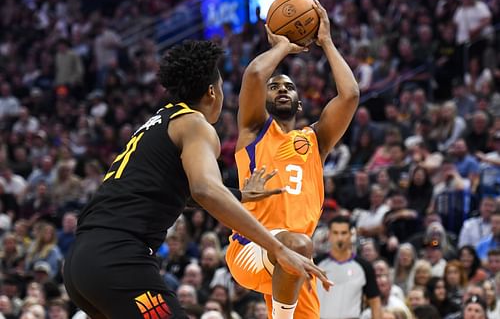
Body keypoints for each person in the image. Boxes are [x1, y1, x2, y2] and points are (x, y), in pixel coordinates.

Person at [63, 40, 332, 319]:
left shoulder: (159, 122)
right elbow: (205, 190)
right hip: (118, 260)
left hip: (81, 264)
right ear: (213, 92)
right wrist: (277, 247)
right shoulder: (195, 124)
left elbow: (182, 192)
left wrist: (240, 194)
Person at [225, 0, 359, 319]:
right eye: (274, 88)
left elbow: (350, 94)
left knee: (299, 248)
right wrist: (283, 46)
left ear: (299, 104)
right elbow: (256, 73)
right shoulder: (253, 131)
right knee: (297, 245)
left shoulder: (315, 140)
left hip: (297, 260)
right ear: (265, 100)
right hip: (251, 246)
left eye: (288, 86)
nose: (281, 89)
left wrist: (325, 41)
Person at [317, 215, 382, 319]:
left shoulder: (364, 267)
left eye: (343, 233)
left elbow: (375, 301)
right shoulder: (316, 263)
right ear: (329, 235)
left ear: (351, 234)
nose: (340, 237)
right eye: (335, 233)